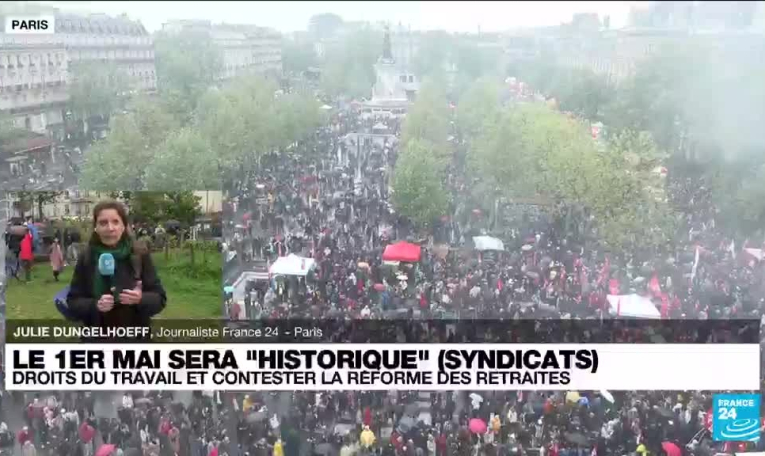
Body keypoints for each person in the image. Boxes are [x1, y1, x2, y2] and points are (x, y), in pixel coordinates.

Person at [67, 199, 167, 332]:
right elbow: (73, 301)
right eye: (103, 223)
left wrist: (140, 299)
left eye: (115, 222)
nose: (110, 228)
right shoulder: (87, 257)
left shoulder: (139, 254)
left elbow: (160, 299)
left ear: (123, 226)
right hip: (97, 336)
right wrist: (95, 305)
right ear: (96, 228)